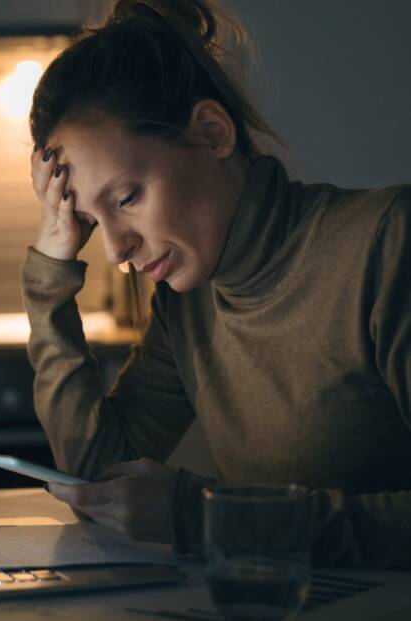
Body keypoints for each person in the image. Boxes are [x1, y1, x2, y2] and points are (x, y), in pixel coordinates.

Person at [22, 0, 411, 568]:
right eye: (89, 220)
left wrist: (210, 515)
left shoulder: (387, 242)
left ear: (212, 132)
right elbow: (98, 482)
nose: (115, 251)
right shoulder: (188, 301)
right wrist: (50, 276)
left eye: (127, 198)